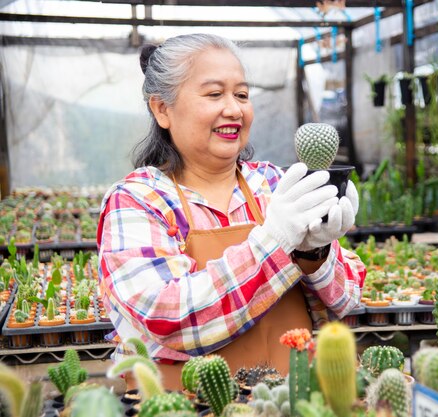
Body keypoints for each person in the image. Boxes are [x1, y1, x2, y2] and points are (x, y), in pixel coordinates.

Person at [96, 33, 365, 389]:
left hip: (291, 399)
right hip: (184, 406)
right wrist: (274, 241)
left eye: (241, 94)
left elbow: (348, 299)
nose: (234, 109)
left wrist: (314, 251)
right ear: (162, 109)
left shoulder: (274, 184)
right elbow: (168, 315)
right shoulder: (137, 199)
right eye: (213, 94)